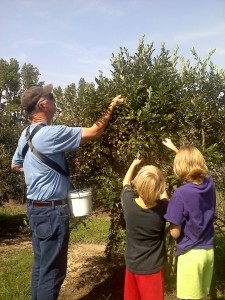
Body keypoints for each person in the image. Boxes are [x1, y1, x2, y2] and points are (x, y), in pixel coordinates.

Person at [11, 83, 123, 300]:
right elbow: (94, 131)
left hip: (35, 209)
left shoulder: (25, 135)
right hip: (52, 213)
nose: (54, 100)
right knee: (53, 273)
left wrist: (35, 169)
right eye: (51, 96)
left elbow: (14, 165)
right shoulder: (50, 134)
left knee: (41, 267)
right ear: (43, 104)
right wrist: (112, 106)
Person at [163, 138, 216, 300]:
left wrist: (168, 202)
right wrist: (176, 149)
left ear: (179, 167)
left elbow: (175, 233)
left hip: (191, 254)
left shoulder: (181, 194)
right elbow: (193, 166)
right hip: (208, 251)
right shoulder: (210, 183)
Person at [121, 158, 169, 300]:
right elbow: (165, 197)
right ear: (159, 189)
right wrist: (159, 182)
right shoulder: (163, 209)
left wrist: (134, 163)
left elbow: (125, 183)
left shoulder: (128, 204)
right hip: (152, 270)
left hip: (132, 267)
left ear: (137, 184)